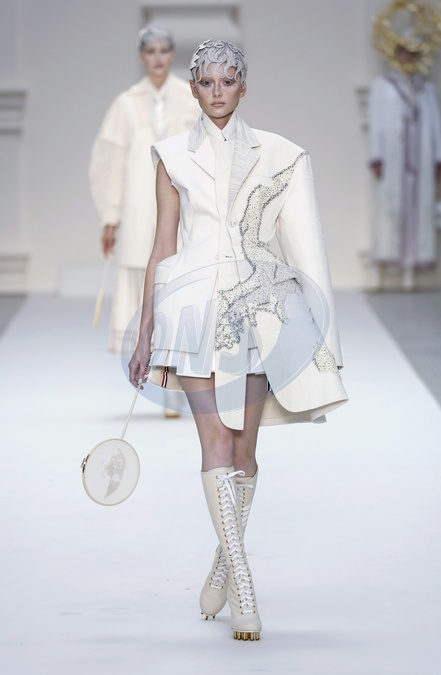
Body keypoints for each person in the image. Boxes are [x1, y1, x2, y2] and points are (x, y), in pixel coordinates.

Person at [129, 39, 348, 641]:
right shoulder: (170, 155)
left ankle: (223, 566)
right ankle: (245, 583)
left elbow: (306, 248)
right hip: (192, 310)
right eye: (207, 81)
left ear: (243, 88)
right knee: (216, 442)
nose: (217, 91)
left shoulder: (280, 154)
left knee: (246, 452)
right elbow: (162, 245)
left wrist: (322, 337)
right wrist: (145, 331)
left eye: (228, 81)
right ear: (193, 88)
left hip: (255, 311)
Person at [89, 24, 199, 354]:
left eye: (163, 50)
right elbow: (108, 161)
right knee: (138, 266)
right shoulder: (126, 103)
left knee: (178, 270)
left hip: (180, 200)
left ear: (173, 54)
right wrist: (110, 216)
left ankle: (175, 355)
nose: (158, 58)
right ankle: (140, 356)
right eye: (151, 51)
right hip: (137, 203)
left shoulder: (190, 97)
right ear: (141, 56)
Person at [368, 41, 441, 291]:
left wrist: (439, 156)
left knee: (419, 210)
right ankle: (380, 270)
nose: (408, 58)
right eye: (405, 53)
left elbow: (435, 124)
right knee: (388, 209)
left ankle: (410, 270)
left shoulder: (427, 88)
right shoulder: (383, 85)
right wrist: (376, 156)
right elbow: (376, 121)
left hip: (420, 159)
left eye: (413, 54)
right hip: (393, 159)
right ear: (396, 54)